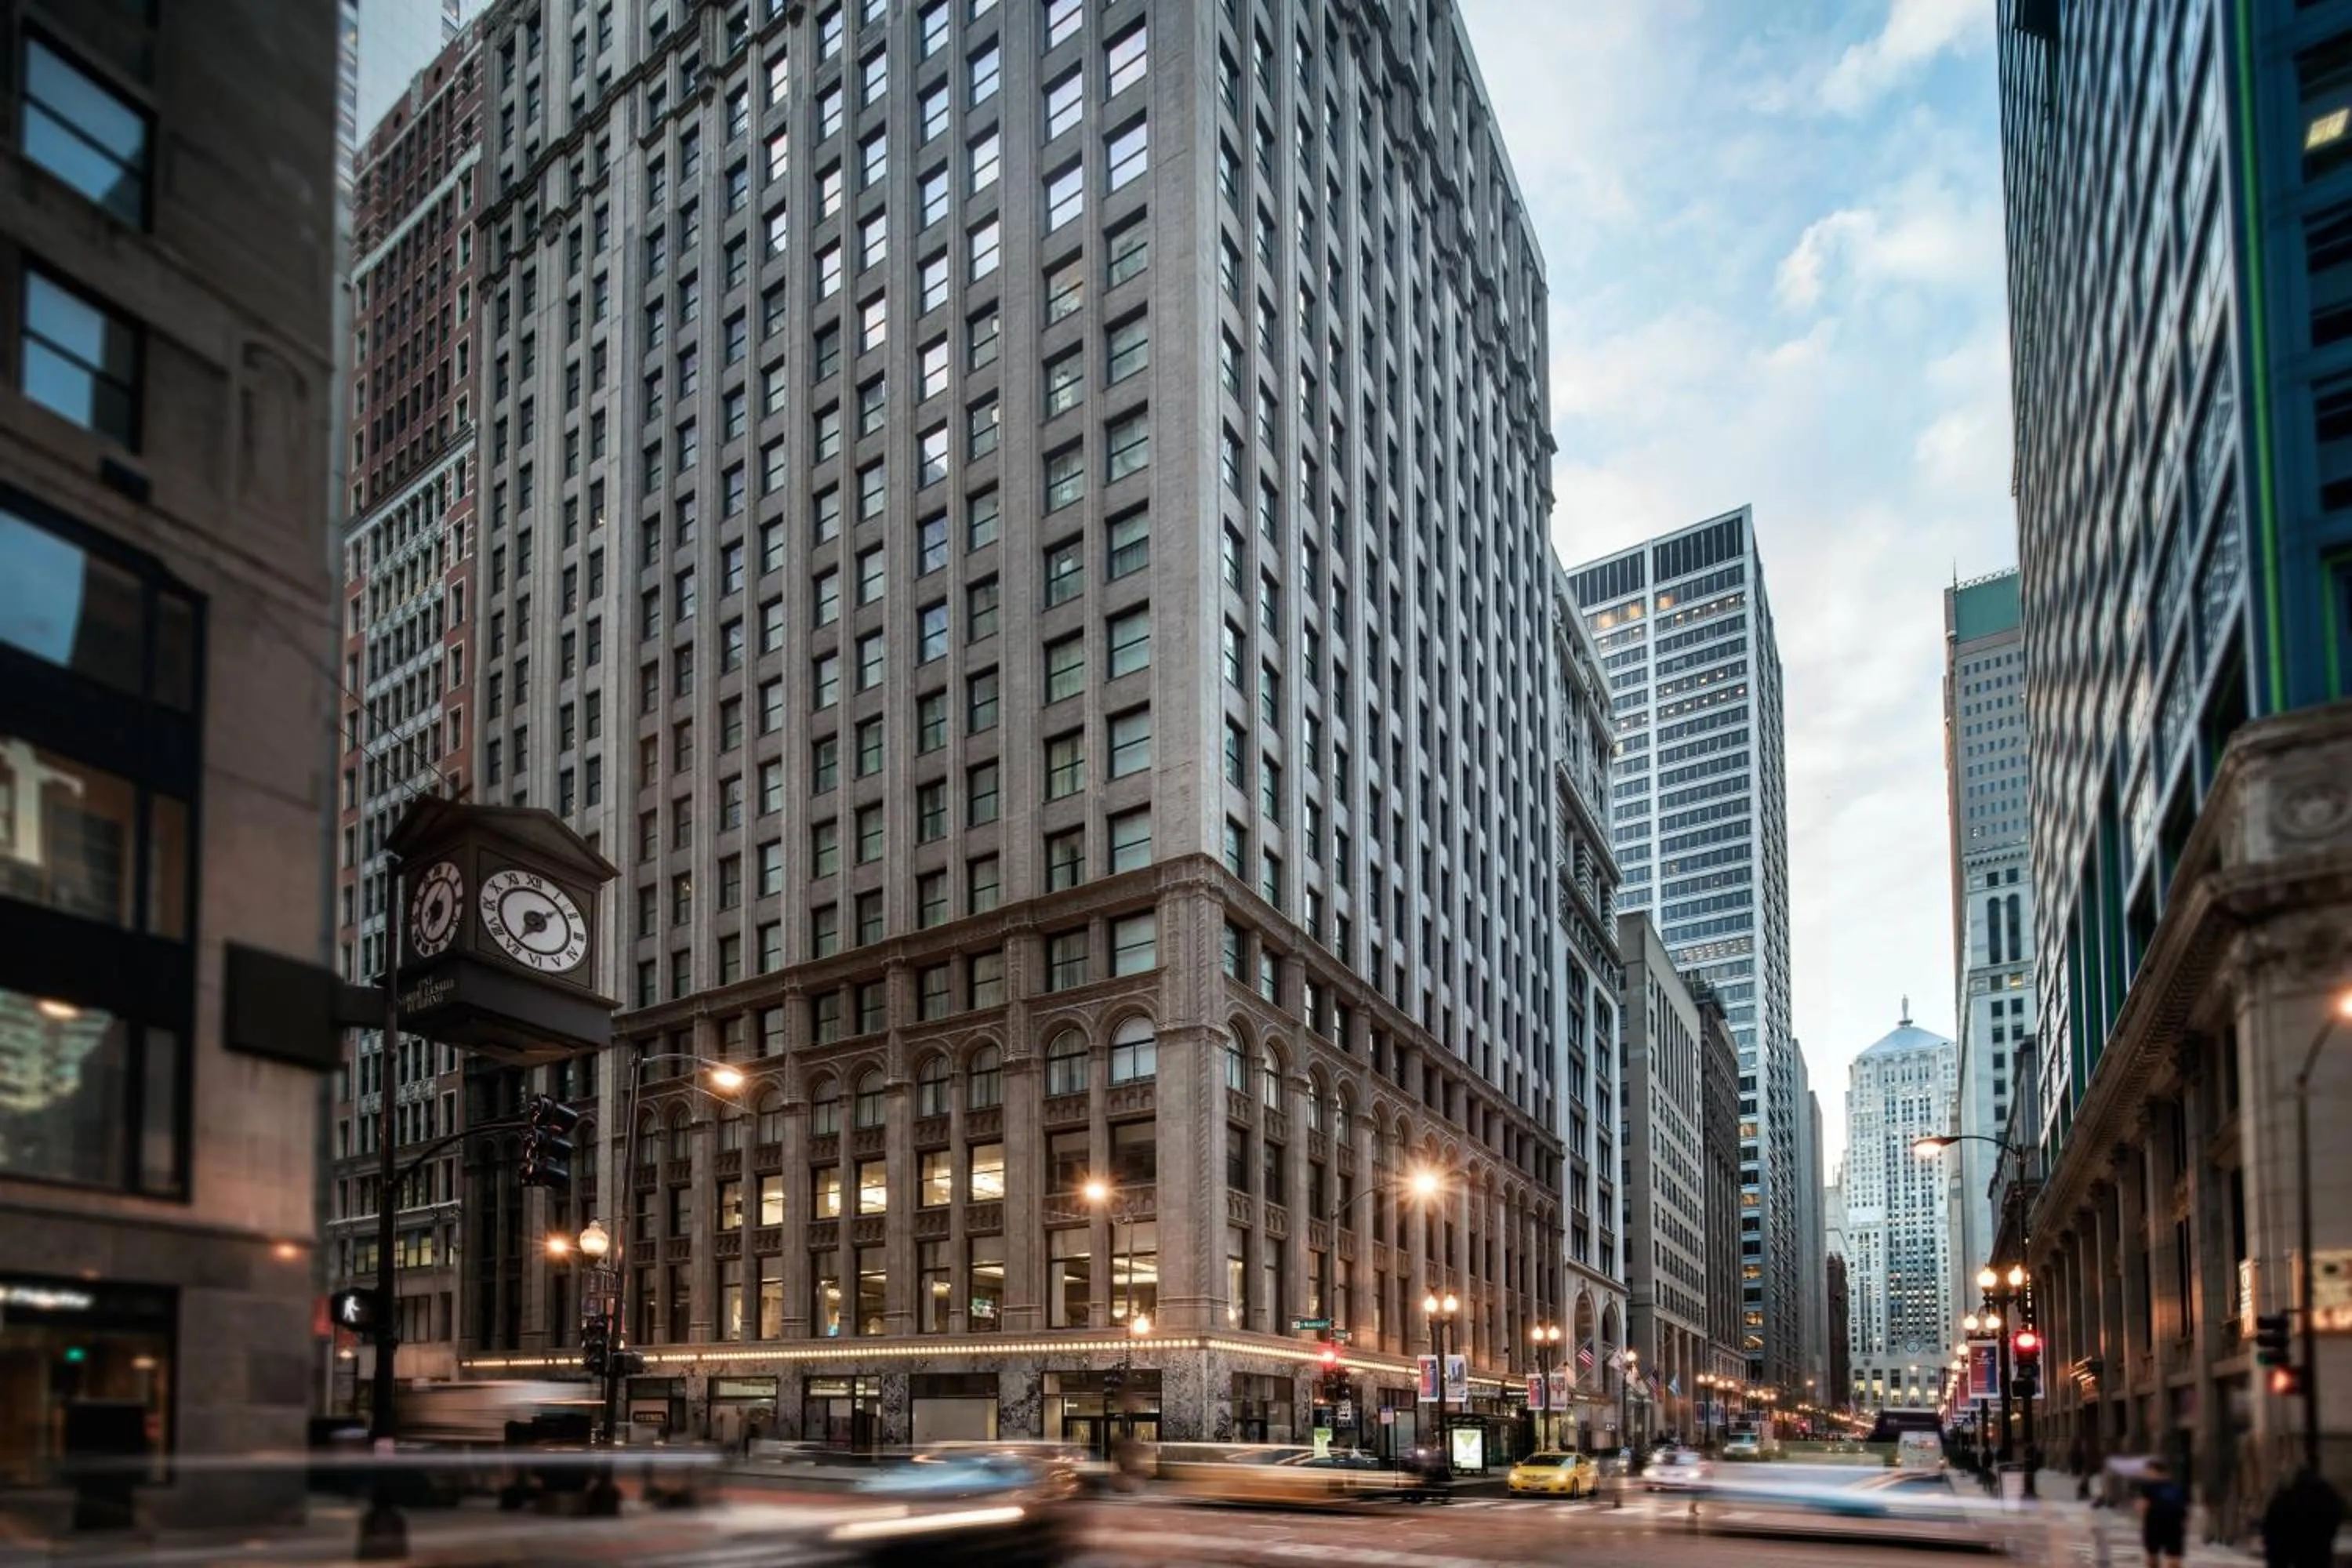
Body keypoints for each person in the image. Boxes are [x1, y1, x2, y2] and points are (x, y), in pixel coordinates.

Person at [2260, 1466, 2347, 1568]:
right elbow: (2339, 1511)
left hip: (2294, 1544)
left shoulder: (2287, 1497)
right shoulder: (2326, 1495)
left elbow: (2271, 1526)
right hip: (2318, 1544)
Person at [2137, 1457, 2189, 1568]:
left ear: (2154, 1471)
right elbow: (2184, 1507)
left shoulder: (2148, 1487)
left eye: (2148, 1471)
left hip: (2154, 1524)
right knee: (2174, 1559)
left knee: (2152, 1557)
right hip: (2175, 1525)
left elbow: (2143, 1506)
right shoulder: (2177, 1486)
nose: (2146, 1474)